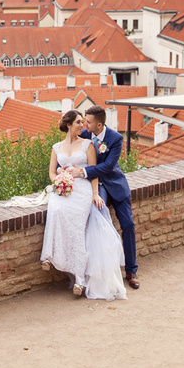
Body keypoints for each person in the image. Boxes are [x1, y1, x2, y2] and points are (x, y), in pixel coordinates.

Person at [40, 110, 127, 300]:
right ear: (69, 124)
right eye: (79, 122)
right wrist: (58, 182)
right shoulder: (56, 147)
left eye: (84, 122)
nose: (83, 126)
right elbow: (52, 173)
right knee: (55, 209)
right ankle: (47, 256)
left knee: (77, 227)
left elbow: (93, 171)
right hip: (63, 189)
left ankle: (80, 278)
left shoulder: (87, 144)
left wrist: (95, 194)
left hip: (83, 189)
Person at [68, 105, 140, 289]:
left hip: (115, 183)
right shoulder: (84, 135)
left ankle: (131, 270)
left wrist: (82, 171)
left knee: (128, 224)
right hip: (96, 185)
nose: (85, 124)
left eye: (89, 122)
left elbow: (108, 167)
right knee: (97, 220)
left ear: (99, 125)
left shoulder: (115, 138)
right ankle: (101, 271)